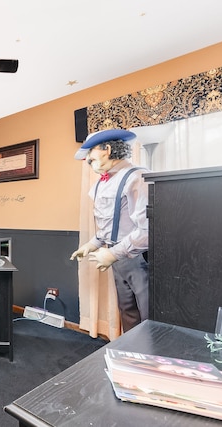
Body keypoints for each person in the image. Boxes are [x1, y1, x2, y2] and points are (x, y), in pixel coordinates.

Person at [70, 129, 150, 332]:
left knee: (149, 314)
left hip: (139, 259)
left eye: (90, 153)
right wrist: (93, 244)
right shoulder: (100, 184)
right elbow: (110, 225)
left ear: (106, 149)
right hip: (116, 259)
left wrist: (113, 253)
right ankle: (130, 355)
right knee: (127, 311)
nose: (88, 159)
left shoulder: (137, 177)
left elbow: (147, 230)